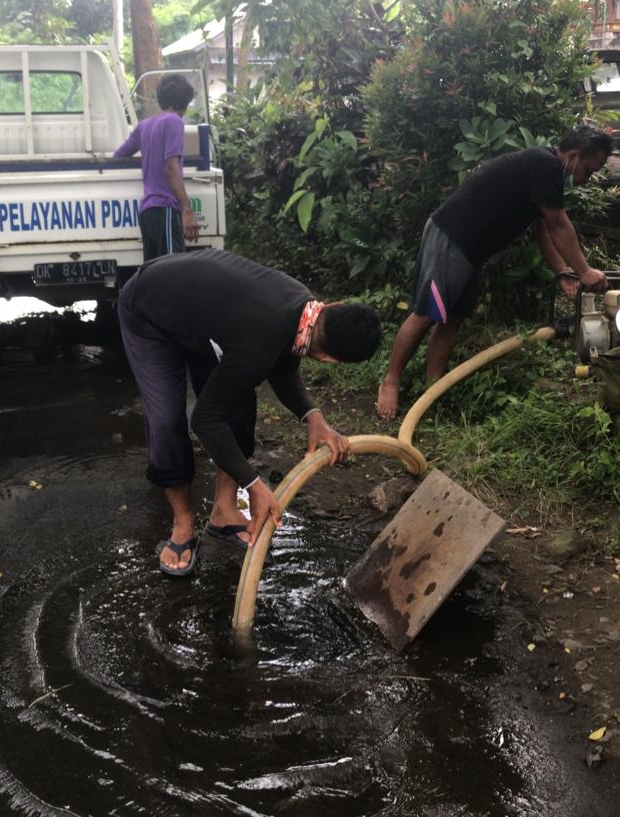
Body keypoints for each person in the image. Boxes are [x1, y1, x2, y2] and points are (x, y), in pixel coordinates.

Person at [118, 248, 381, 576]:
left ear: (336, 306)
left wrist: (314, 416)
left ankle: (224, 512)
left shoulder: (304, 310)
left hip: (198, 314)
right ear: (330, 360)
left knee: (239, 398)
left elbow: (281, 365)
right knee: (167, 420)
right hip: (148, 309)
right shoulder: (264, 334)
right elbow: (205, 420)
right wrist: (255, 484)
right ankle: (183, 524)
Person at [376, 125, 614, 419]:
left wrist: (563, 271)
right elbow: (558, 224)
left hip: (472, 250)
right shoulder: (546, 165)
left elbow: (543, 229)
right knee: (426, 314)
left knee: (452, 319)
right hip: (451, 237)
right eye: (589, 171)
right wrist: (585, 270)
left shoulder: (547, 171)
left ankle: (432, 389)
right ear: (575, 156)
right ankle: (391, 381)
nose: (587, 179)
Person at [114, 72, 200, 260]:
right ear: (185, 101)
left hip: (148, 212)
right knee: (173, 273)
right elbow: (171, 167)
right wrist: (186, 209)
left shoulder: (144, 126)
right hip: (166, 208)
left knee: (154, 275)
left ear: (161, 99)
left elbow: (119, 156)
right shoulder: (174, 122)